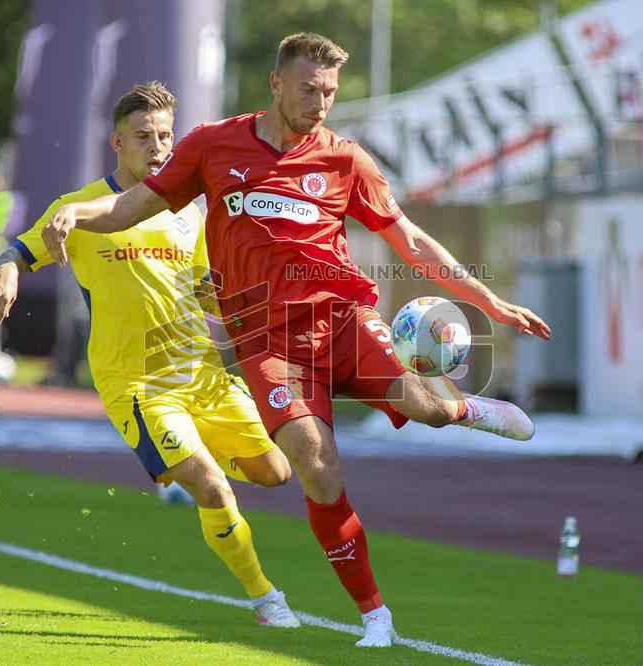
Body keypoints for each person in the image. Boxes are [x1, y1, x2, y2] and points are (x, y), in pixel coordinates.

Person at [40, 34, 551, 648]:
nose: (320, 102)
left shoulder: (344, 158)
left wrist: (488, 302)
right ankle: (375, 617)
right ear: (277, 84)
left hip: (341, 320)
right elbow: (129, 208)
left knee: (427, 409)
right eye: (308, 89)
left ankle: (465, 409)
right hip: (268, 344)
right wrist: (73, 215)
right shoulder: (210, 145)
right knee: (315, 469)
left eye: (330, 92)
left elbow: (410, 241)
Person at [0, 81, 300, 628]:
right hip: (136, 383)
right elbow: (19, 248)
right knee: (212, 487)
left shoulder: (188, 212)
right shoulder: (77, 211)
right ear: (116, 143)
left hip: (202, 375)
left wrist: (254, 317)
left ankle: (178, 461)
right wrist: (7, 271)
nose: (158, 147)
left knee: (277, 474)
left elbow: (207, 291)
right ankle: (266, 599)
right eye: (143, 136)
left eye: (166, 136)